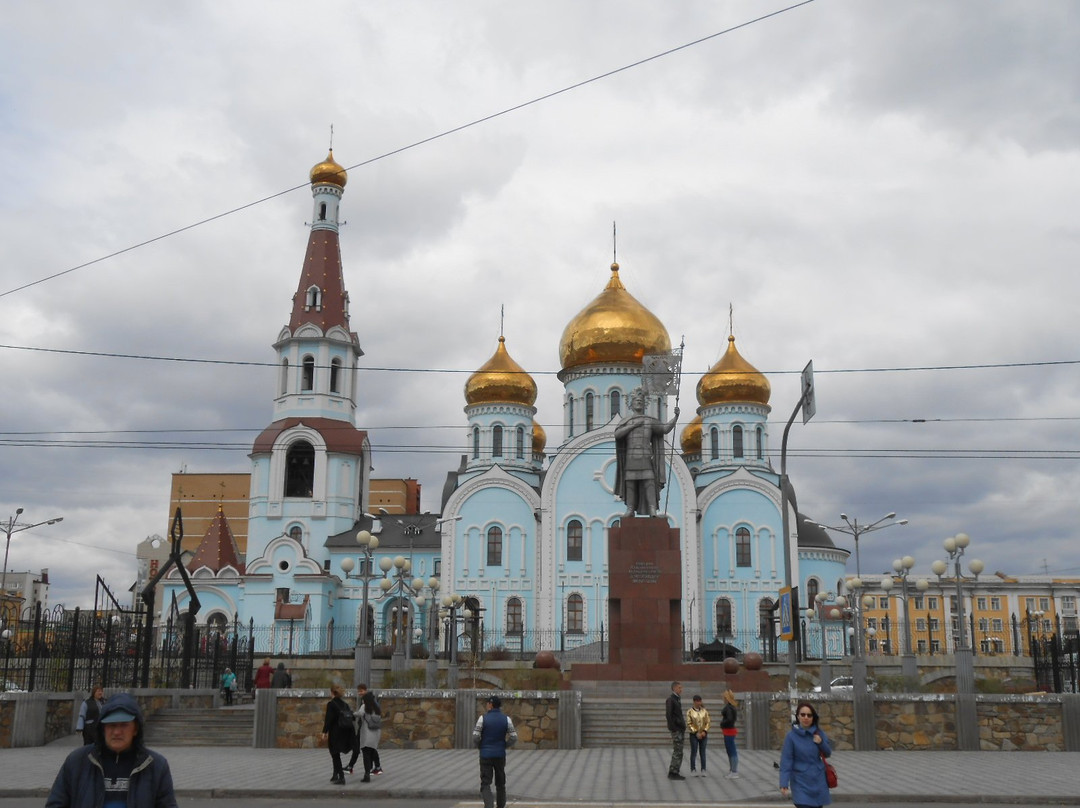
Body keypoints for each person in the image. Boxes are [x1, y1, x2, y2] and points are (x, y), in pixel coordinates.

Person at [46, 692, 177, 808]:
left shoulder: (156, 766)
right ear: (102, 729)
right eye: (111, 725)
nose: (117, 732)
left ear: (136, 729)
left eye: (124, 725)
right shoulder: (77, 762)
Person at [613, 387, 678, 516]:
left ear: (645, 404)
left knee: (649, 482)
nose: (639, 402)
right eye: (636, 400)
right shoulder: (626, 422)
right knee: (630, 483)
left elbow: (664, 429)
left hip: (646, 457)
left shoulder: (649, 421)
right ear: (631, 404)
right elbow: (618, 434)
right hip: (631, 457)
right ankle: (630, 509)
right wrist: (633, 425)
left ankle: (652, 509)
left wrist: (675, 417)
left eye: (641, 400)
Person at [779, 701, 833, 808]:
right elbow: (786, 761)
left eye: (809, 715)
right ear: (798, 717)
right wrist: (783, 783)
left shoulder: (818, 733)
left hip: (818, 780)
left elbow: (828, 753)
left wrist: (821, 742)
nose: (806, 717)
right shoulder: (791, 737)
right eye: (803, 715)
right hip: (800, 782)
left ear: (813, 717)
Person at [473, 695, 517, 808]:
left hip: (485, 755)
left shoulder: (482, 719)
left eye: (487, 703)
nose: (487, 705)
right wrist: (504, 745)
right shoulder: (506, 719)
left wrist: (481, 746)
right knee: (501, 783)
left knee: (486, 783)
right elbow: (514, 737)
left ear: (490, 705)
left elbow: (475, 736)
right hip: (500, 755)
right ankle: (500, 806)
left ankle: (489, 805)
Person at [320, 683, 354, 785]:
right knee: (336, 753)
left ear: (332, 693)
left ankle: (341, 777)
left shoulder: (331, 704)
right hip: (345, 731)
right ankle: (335, 774)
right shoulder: (345, 704)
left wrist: (324, 732)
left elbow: (328, 720)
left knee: (335, 754)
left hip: (335, 732)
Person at [347, 683, 383, 775]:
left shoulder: (366, 701)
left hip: (366, 728)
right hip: (373, 727)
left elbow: (361, 713)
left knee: (364, 748)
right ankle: (376, 767)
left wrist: (351, 714)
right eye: (358, 691)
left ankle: (355, 768)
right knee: (370, 747)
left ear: (365, 690)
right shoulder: (373, 699)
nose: (359, 693)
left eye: (361, 691)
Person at [357, 690, 383, 783]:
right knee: (372, 751)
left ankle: (367, 774)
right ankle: (375, 767)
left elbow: (359, 714)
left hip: (367, 733)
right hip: (376, 733)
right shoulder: (377, 708)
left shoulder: (365, 706)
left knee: (366, 755)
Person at [664, 681, 686, 780]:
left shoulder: (677, 699)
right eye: (679, 688)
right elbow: (669, 715)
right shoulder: (671, 700)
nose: (681, 689)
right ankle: (673, 772)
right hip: (676, 729)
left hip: (680, 728)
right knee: (677, 751)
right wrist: (674, 728)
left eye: (681, 688)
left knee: (679, 751)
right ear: (674, 688)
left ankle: (675, 770)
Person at [686, 694, 710, 776]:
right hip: (694, 735)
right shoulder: (690, 712)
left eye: (700, 701)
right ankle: (693, 769)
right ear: (694, 702)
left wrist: (704, 731)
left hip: (703, 735)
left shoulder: (704, 711)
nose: (699, 703)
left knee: (702, 752)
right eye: (697, 701)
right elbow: (689, 723)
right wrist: (696, 732)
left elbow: (708, 722)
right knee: (694, 752)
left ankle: (703, 769)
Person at [719, 689, 739, 778]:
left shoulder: (729, 708)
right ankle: (732, 770)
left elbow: (729, 719)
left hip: (729, 731)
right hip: (729, 730)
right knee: (730, 751)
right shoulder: (731, 707)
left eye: (724, 697)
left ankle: (734, 771)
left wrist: (722, 723)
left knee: (732, 751)